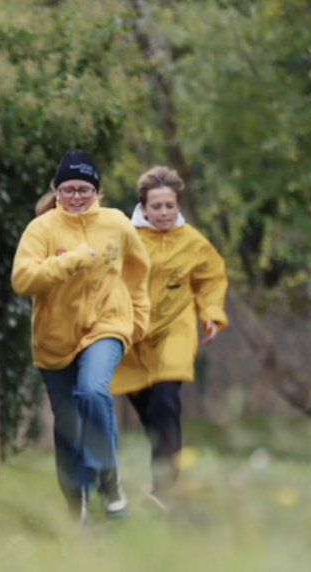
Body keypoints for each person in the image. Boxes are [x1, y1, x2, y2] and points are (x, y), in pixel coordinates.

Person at [12, 150, 151, 522]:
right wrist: (70, 259)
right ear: (57, 191)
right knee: (68, 424)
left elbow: (138, 271)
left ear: (97, 192)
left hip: (107, 325)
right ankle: (76, 504)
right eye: (69, 189)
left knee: (92, 389)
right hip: (54, 339)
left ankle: (108, 476)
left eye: (84, 190)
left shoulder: (116, 224)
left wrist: (138, 319)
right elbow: (22, 279)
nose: (77, 197)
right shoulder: (41, 229)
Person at [109, 166, 228, 507]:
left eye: (170, 206)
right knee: (151, 414)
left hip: (175, 330)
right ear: (143, 207)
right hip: (132, 336)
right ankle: (168, 470)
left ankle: (164, 491)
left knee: (166, 401)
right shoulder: (123, 238)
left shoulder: (192, 242)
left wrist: (211, 313)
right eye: (156, 206)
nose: (164, 212)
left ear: (178, 205)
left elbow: (211, 278)